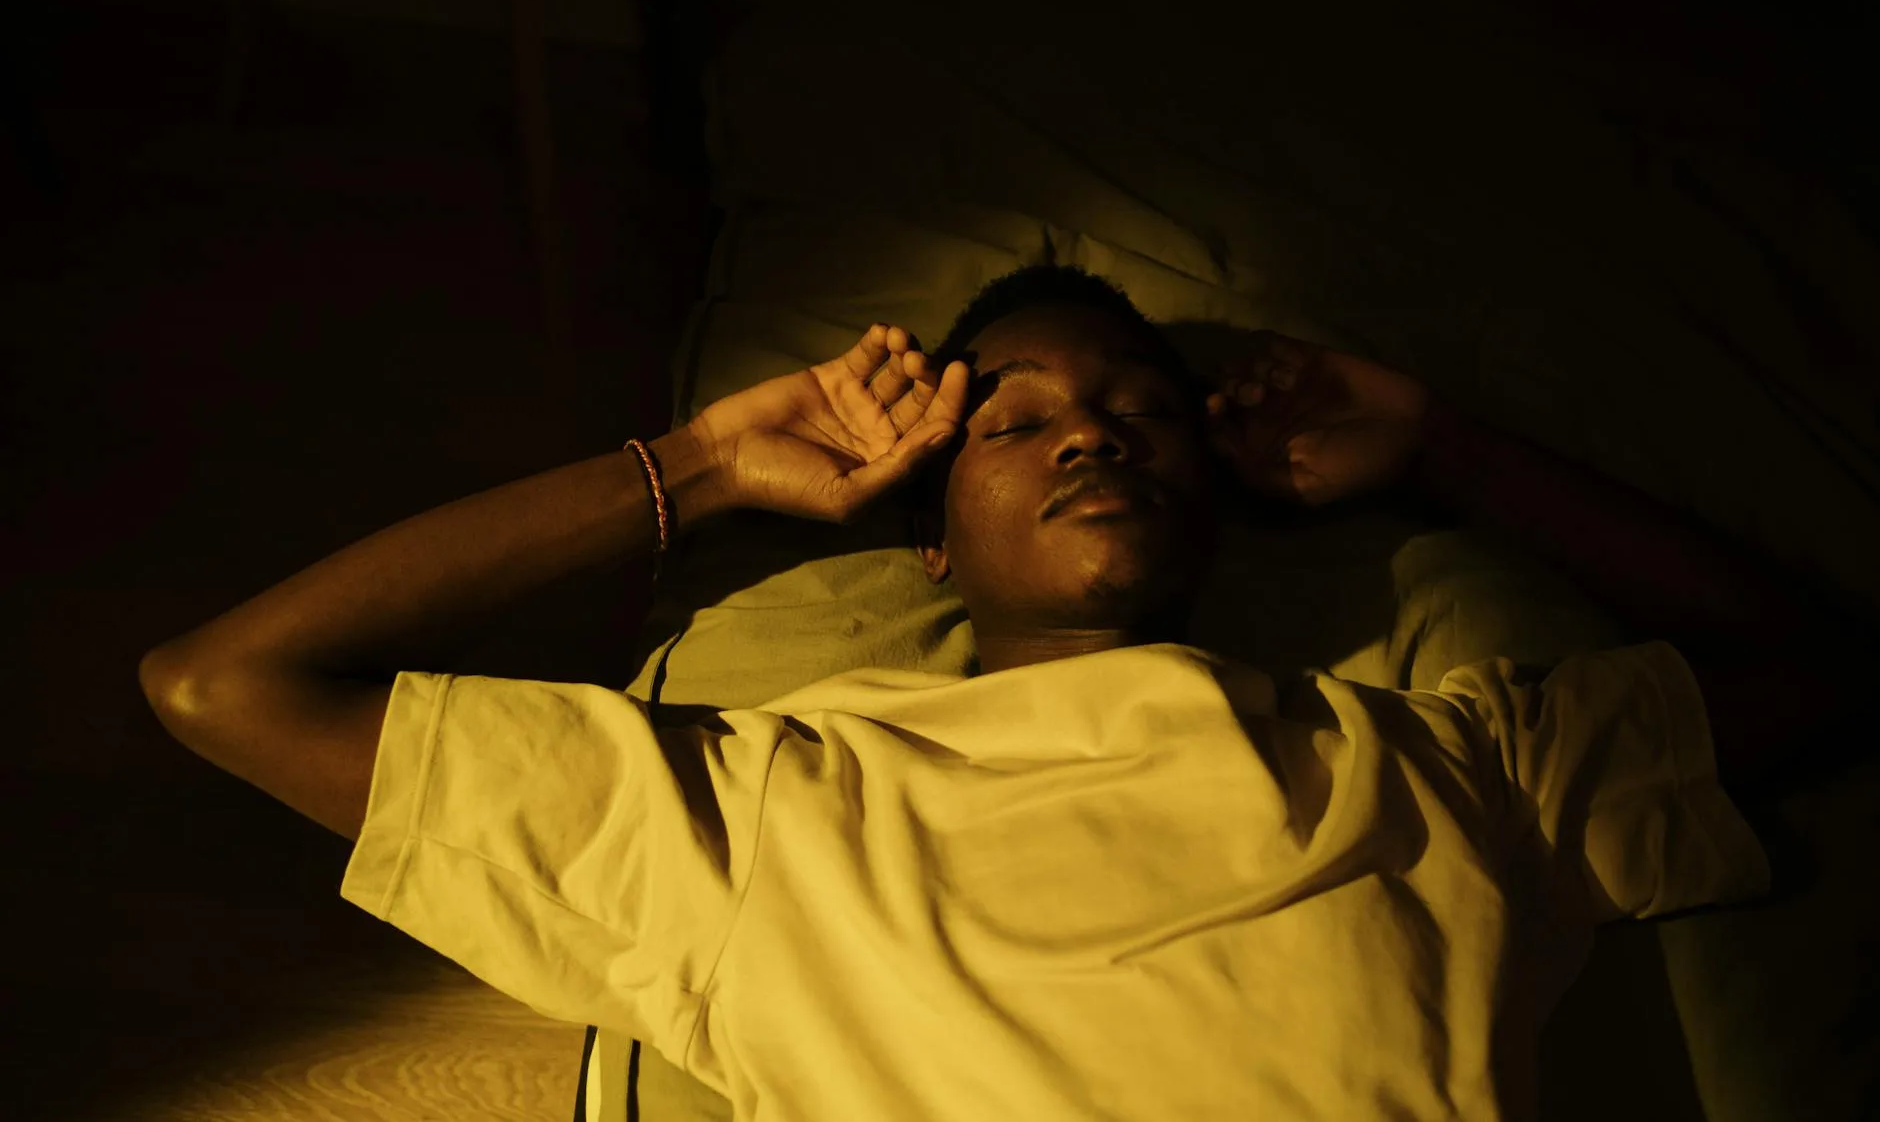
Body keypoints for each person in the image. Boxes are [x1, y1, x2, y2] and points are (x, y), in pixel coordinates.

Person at [141, 266, 1866, 1121]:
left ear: (1226, 500)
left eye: (1141, 409)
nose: (1090, 432)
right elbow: (223, 685)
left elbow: (1824, 669)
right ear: (933, 542)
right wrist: (703, 467)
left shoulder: (1443, 764)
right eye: (1017, 419)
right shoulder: (766, 808)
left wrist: (1452, 455)